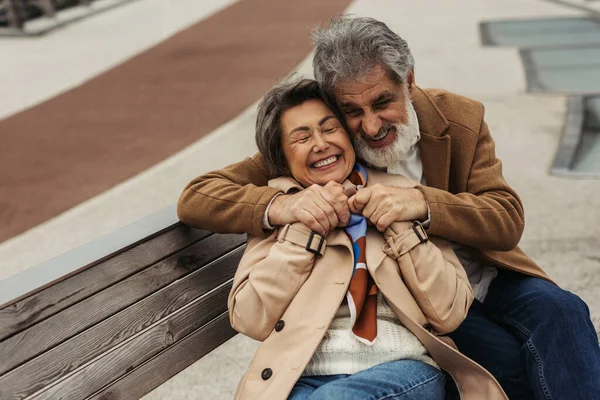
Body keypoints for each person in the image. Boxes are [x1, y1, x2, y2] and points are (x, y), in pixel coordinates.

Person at [178, 16, 600, 399]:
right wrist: (288, 204)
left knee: (562, 311)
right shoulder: (328, 139)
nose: (372, 125)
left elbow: (505, 218)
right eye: (352, 111)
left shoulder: (458, 119)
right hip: (424, 302)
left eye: (383, 102)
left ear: (409, 82)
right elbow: (198, 195)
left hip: (482, 274)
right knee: (507, 366)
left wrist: (421, 202)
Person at [228, 78, 505, 400]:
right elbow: (250, 318)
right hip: (300, 376)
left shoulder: (401, 193)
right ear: (283, 158)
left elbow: (450, 311)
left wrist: (400, 226)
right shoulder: (280, 208)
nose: (320, 144)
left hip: (402, 366)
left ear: (348, 135)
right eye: (301, 138)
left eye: (330, 129)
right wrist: (305, 227)